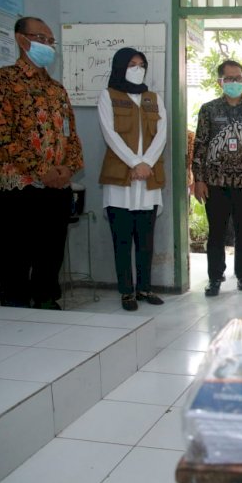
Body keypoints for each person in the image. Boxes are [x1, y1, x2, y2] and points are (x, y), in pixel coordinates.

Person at [0, 16, 84, 309]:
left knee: (51, 250)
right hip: (18, 185)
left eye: (51, 41)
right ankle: (15, 305)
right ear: (21, 39)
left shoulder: (56, 89)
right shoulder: (2, 80)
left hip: (57, 186)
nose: (48, 46)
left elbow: (71, 135)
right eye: (42, 39)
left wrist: (69, 168)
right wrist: (42, 171)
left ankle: (45, 300)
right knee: (17, 251)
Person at [192, 59, 242, 297]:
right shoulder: (209, 110)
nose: (235, 82)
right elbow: (200, 145)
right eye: (230, 78)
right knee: (216, 232)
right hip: (215, 182)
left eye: (239, 78)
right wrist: (199, 179)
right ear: (221, 82)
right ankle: (215, 278)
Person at [98, 47, 166, 311]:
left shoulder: (154, 98)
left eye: (141, 65)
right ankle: (126, 292)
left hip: (148, 180)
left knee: (146, 242)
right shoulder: (108, 96)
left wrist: (146, 163)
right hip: (120, 180)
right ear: (120, 67)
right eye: (131, 64)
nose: (137, 69)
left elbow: (161, 134)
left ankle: (145, 288)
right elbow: (109, 133)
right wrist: (134, 162)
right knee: (122, 241)